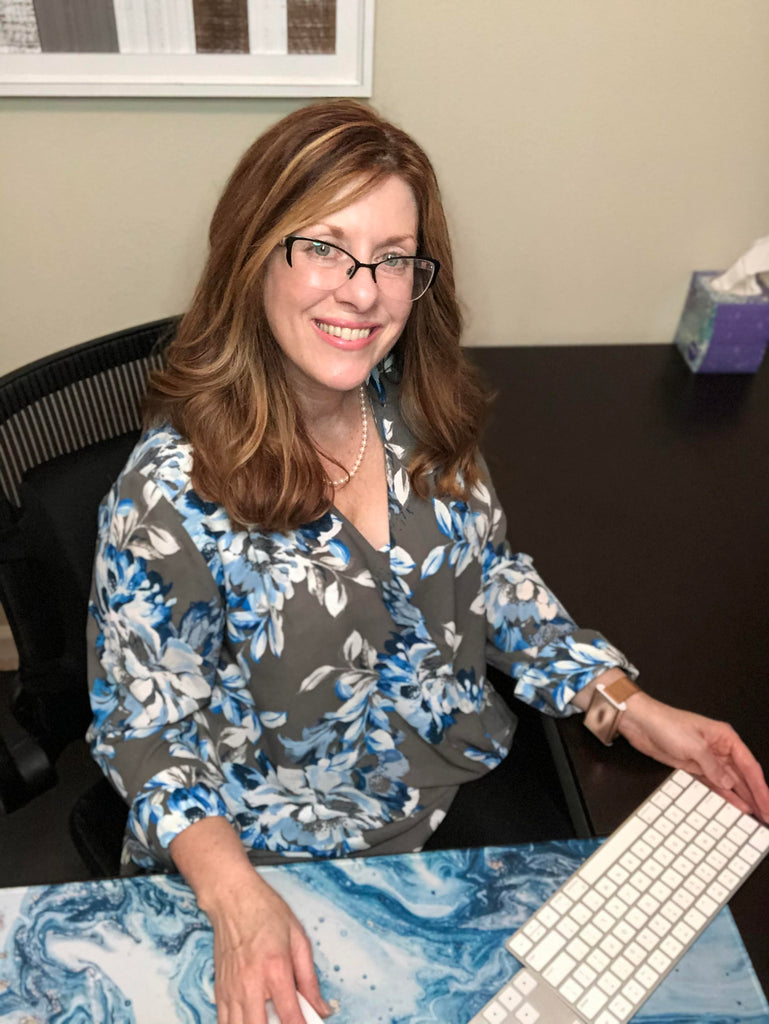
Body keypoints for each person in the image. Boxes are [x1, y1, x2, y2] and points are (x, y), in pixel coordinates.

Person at [87, 100, 769, 1024]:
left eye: (393, 257)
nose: (362, 292)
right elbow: (145, 728)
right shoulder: (168, 493)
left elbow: (485, 574)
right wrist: (232, 896)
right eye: (322, 247)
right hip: (280, 858)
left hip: (450, 791)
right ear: (253, 256)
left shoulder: (410, 404)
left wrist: (620, 702)